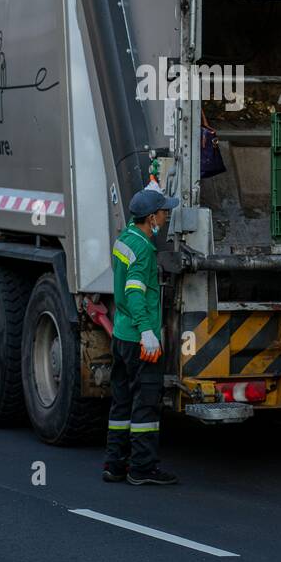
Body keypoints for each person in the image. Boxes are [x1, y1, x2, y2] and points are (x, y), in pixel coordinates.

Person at [104, 186, 180, 485]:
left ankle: (114, 464)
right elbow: (134, 291)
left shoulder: (124, 239)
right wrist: (148, 331)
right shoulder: (145, 250)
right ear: (152, 218)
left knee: (121, 402)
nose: (166, 214)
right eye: (163, 211)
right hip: (139, 339)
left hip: (122, 335)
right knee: (146, 405)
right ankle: (142, 469)